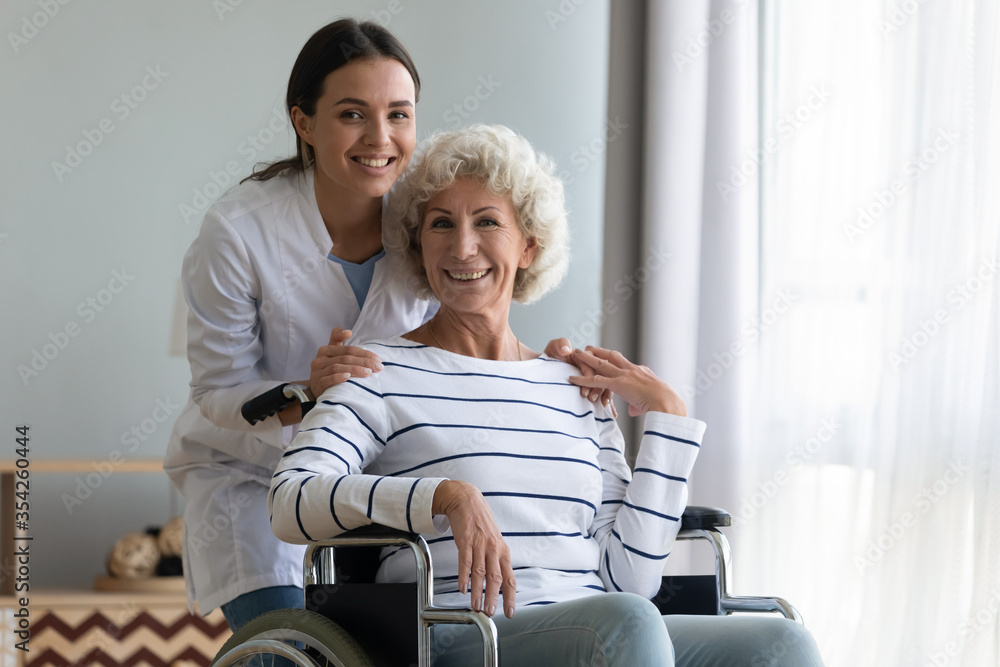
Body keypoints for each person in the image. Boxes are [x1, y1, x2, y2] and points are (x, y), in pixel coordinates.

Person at [269, 124, 824, 666]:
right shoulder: (378, 369)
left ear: (529, 247)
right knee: (627, 623)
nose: (463, 247)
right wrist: (443, 496)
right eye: (441, 224)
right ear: (418, 245)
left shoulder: (573, 386)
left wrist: (668, 419)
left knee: (781, 646)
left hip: (604, 625)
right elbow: (291, 501)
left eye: (487, 222)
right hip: (460, 632)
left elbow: (630, 578)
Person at [163, 19, 595, 633]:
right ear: (304, 122)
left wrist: (537, 367)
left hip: (379, 480)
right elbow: (213, 395)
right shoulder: (238, 233)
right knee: (290, 642)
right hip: (253, 485)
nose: (380, 137)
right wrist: (301, 396)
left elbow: (462, 324)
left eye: (399, 114)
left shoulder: (428, 217)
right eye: (352, 114)